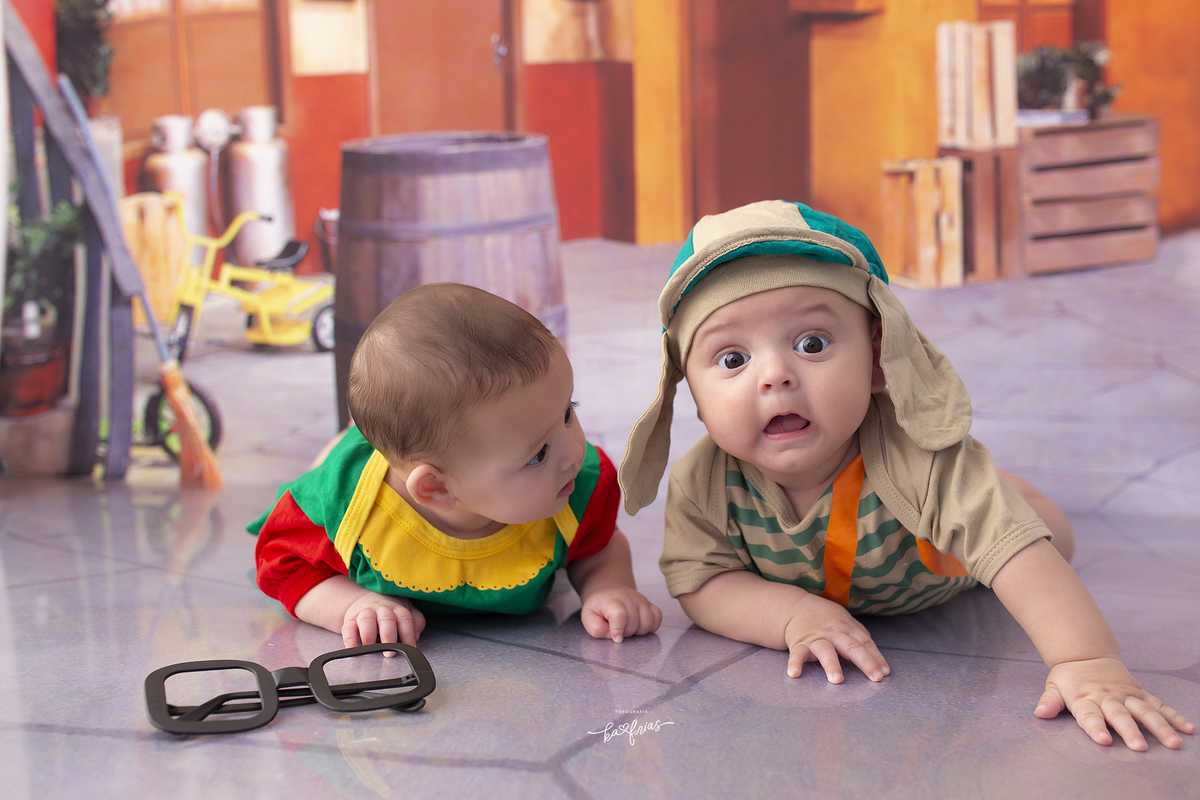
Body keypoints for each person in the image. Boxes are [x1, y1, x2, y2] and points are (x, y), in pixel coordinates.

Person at [617, 200, 1193, 751]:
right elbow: (701, 582)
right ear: (690, 392)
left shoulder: (919, 455)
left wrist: (1086, 663)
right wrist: (792, 614)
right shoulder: (704, 483)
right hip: (835, 587)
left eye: (811, 343)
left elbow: (1017, 554)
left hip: (944, 575)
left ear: (878, 357)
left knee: (1038, 531)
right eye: (732, 359)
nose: (775, 376)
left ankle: (1002, 493)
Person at [251, 283, 662, 649]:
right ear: (437, 490)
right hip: (363, 475)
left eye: (568, 412)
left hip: (436, 461)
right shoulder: (346, 509)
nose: (574, 451)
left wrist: (607, 587)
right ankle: (349, 438)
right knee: (338, 460)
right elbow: (284, 564)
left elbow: (598, 544)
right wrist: (352, 604)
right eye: (538, 453)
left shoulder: (576, 488)